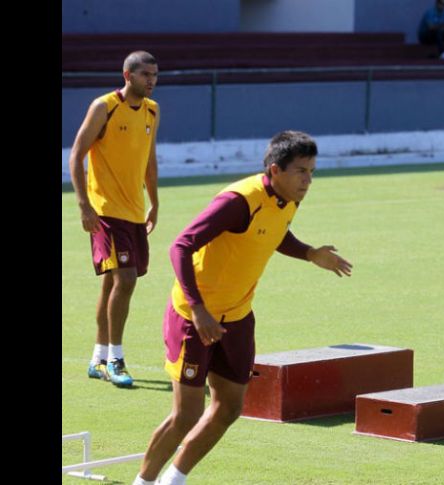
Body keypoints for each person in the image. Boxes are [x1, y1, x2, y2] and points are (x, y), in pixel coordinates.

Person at [132, 131, 353, 485]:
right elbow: (180, 246)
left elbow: (274, 232)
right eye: (301, 171)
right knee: (186, 414)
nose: (308, 180)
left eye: (312, 171)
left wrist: (310, 253)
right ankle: (143, 481)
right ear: (275, 170)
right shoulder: (238, 201)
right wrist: (198, 309)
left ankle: (173, 479)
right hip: (194, 318)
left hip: (237, 318)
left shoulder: (289, 199)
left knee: (230, 407)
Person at [69, 51, 160, 387]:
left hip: (134, 211)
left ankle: (97, 358)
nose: (151, 81)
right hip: (105, 211)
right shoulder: (104, 107)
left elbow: (149, 160)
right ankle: (115, 359)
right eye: (145, 74)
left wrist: (155, 202)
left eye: (155, 75)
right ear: (127, 75)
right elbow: (76, 155)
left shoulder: (152, 110)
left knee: (112, 283)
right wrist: (84, 205)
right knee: (126, 279)